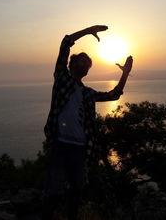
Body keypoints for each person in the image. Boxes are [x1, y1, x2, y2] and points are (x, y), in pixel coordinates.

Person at [42, 25, 133, 220]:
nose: (85, 64)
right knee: (54, 190)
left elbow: (113, 95)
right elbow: (66, 42)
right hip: (61, 145)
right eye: (81, 61)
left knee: (77, 191)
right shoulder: (62, 80)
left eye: (88, 64)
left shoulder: (86, 93)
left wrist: (125, 74)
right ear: (72, 64)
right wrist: (89, 30)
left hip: (80, 149)